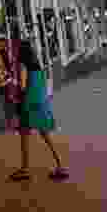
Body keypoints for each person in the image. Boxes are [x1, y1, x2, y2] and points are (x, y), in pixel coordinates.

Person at [9, 39, 69, 182]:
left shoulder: (23, 65)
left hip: (28, 105)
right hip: (40, 104)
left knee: (24, 136)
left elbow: (23, 87)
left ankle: (25, 169)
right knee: (46, 136)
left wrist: (14, 92)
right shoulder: (37, 65)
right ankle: (60, 164)